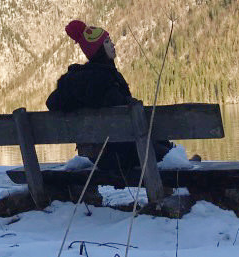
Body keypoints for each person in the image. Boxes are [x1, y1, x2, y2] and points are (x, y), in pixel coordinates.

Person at [46, 20, 170, 174]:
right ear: (98, 49)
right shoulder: (107, 80)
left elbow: (52, 102)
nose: (113, 44)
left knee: (162, 147)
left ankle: (174, 154)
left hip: (97, 156)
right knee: (166, 152)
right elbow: (125, 113)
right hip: (119, 155)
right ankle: (177, 158)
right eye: (107, 42)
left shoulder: (75, 82)